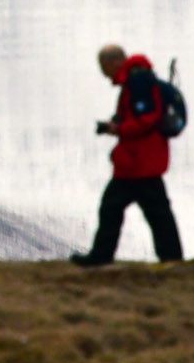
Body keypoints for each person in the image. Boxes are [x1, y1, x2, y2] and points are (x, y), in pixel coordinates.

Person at [72, 44, 185, 267]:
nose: (103, 72)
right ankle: (171, 258)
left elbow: (146, 119)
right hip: (141, 161)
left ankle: (101, 256)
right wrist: (116, 124)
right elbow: (139, 115)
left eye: (103, 66)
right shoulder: (137, 81)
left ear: (115, 62)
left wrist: (118, 129)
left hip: (139, 162)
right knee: (154, 212)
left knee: (117, 208)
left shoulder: (138, 82)